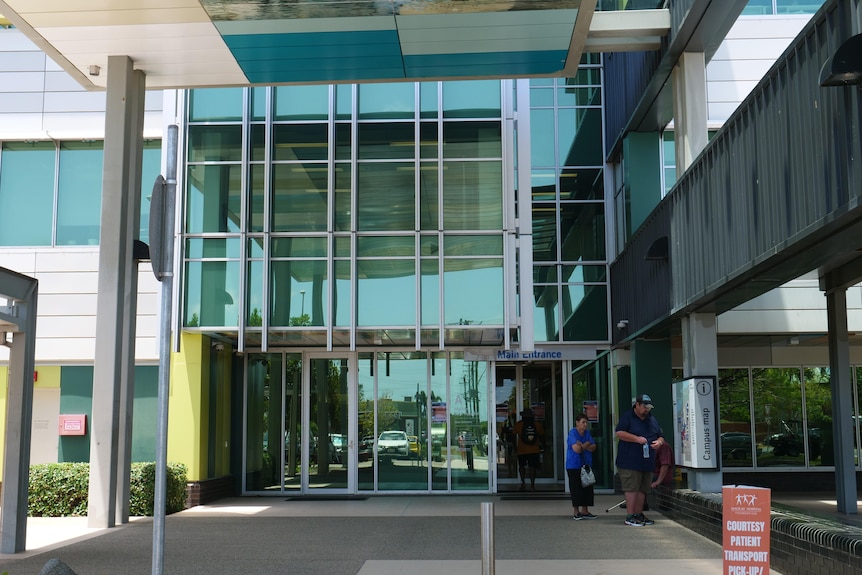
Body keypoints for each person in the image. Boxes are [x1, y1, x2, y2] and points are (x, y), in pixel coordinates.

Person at [614, 393, 665, 526]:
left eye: (649, 407)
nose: (647, 409)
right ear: (637, 405)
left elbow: (660, 435)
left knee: (643, 488)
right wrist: (636, 439)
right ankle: (630, 516)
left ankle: (639, 514)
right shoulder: (628, 417)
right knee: (632, 488)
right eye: (644, 406)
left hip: (646, 461)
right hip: (629, 461)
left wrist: (659, 442)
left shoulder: (651, 419)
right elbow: (619, 433)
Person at [566, 412, 597, 519]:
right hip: (574, 465)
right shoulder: (572, 433)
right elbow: (577, 449)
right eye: (583, 422)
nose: (585, 425)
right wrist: (586, 444)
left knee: (587, 487)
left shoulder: (587, 433)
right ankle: (576, 511)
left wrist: (583, 445)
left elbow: (593, 447)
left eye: (586, 423)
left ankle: (585, 510)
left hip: (586, 465)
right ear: (577, 423)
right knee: (576, 488)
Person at [513, 408, 545, 491]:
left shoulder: (518, 424)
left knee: (522, 466)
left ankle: (523, 483)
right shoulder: (537, 424)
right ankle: (532, 485)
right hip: (534, 449)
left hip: (521, 450)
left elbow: (513, 436)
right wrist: (542, 446)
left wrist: (514, 447)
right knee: (532, 467)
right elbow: (542, 436)